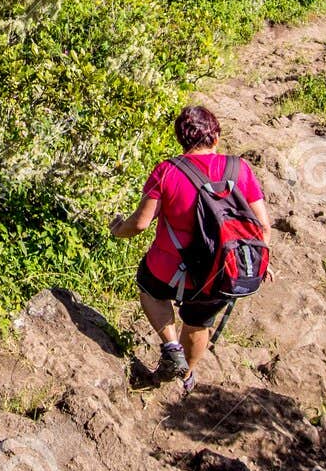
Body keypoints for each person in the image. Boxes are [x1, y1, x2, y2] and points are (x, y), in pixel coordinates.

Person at [108, 104, 270, 391]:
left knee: (149, 290)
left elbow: (141, 224)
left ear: (181, 139)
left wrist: (118, 229)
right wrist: (259, 260)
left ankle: (172, 347)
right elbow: (262, 226)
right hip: (223, 270)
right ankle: (186, 376)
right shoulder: (239, 168)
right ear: (216, 137)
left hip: (169, 269)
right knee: (198, 323)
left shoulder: (167, 171)